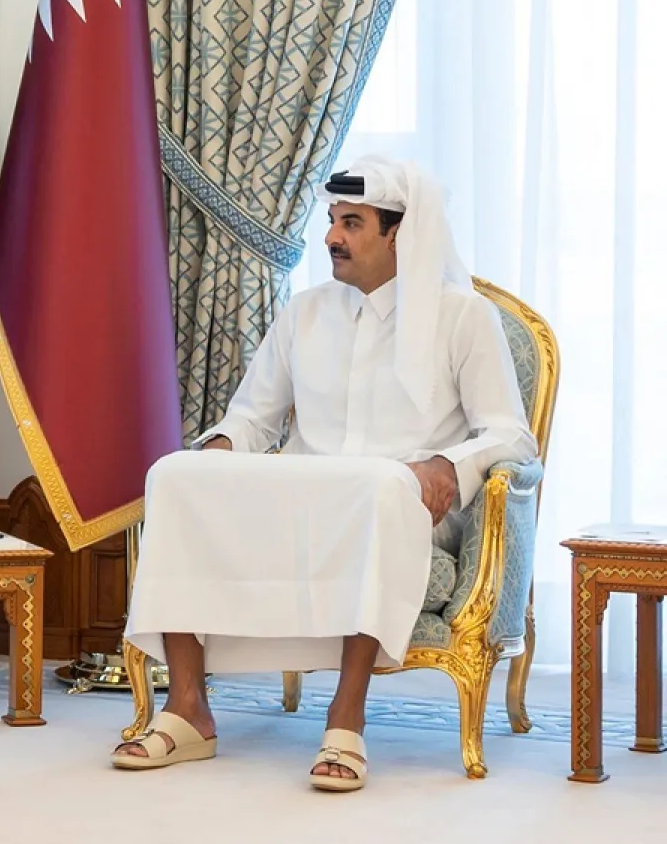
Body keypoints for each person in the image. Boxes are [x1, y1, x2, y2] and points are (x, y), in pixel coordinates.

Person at [112, 156, 537, 791]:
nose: (332, 237)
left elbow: (512, 434)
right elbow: (251, 418)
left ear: (400, 233)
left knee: (379, 483)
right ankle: (188, 708)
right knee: (173, 473)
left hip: (405, 505)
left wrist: (446, 463)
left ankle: (346, 718)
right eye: (332, 221)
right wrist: (217, 452)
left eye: (352, 223)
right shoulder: (305, 312)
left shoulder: (461, 316)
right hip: (304, 500)